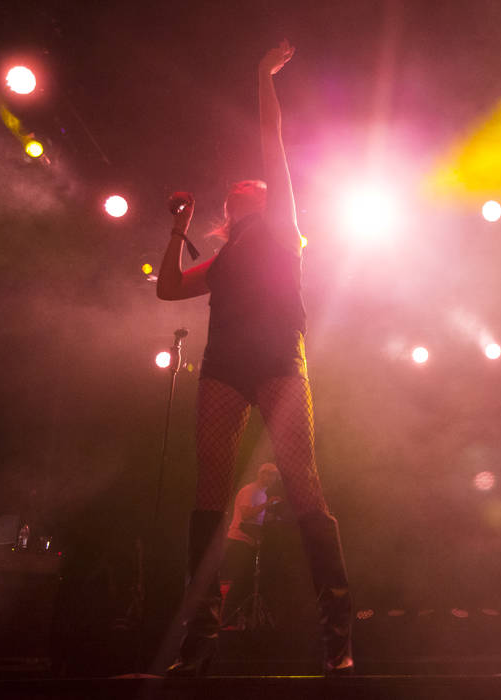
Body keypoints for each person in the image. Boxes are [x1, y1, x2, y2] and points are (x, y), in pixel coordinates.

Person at [157, 40, 352, 676]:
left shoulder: (281, 225)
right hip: (223, 365)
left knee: (303, 486)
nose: (246, 180)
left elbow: (273, 135)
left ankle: (336, 633)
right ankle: (200, 638)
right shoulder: (224, 255)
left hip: (278, 360)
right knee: (209, 490)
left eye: (256, 182)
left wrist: (261, 74)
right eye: (239, 184)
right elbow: (168, 287)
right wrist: (176, 227)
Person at [221, 462, 281, 631]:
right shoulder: (250, 490)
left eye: (272, 475)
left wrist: (271, 518)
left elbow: (255, 518)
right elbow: (246, 515)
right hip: (238, 541)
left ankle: (239, 622)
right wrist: (266, 505)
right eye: (266, 473)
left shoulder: (262, 494)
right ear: (259, 474)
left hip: (248, 543)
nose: (268, 477)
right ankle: (227, 621)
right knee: (240, 582)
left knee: (247, 583)